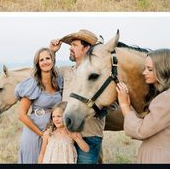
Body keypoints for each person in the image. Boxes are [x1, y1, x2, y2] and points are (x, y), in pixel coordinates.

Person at [49, 29, 106, 164]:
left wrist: (90, 111)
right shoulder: (66, 71)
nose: (70, 48)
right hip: (65, 134)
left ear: (86, 48)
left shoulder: (99, 74)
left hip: (88, 135)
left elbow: (111, 103)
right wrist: (52, 51)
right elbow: (47, 72)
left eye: (74, 45)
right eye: (71, 45)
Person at [116, 48, 170, 164]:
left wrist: (125, 105)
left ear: (164, 70)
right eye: (145, 68)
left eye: (150, 69)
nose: (144, 72)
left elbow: (141, 131)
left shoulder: (166, 98)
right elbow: (150, 125)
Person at [14, 47, 63, 164]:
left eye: (48, 58)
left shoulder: (59, 81)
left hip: (53, 132)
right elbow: (21, 115)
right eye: (41, 60)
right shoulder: (32, 84)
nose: (45, 62)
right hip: (34, 134)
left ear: (53, 60)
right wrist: (41, 134)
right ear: (37, 63)